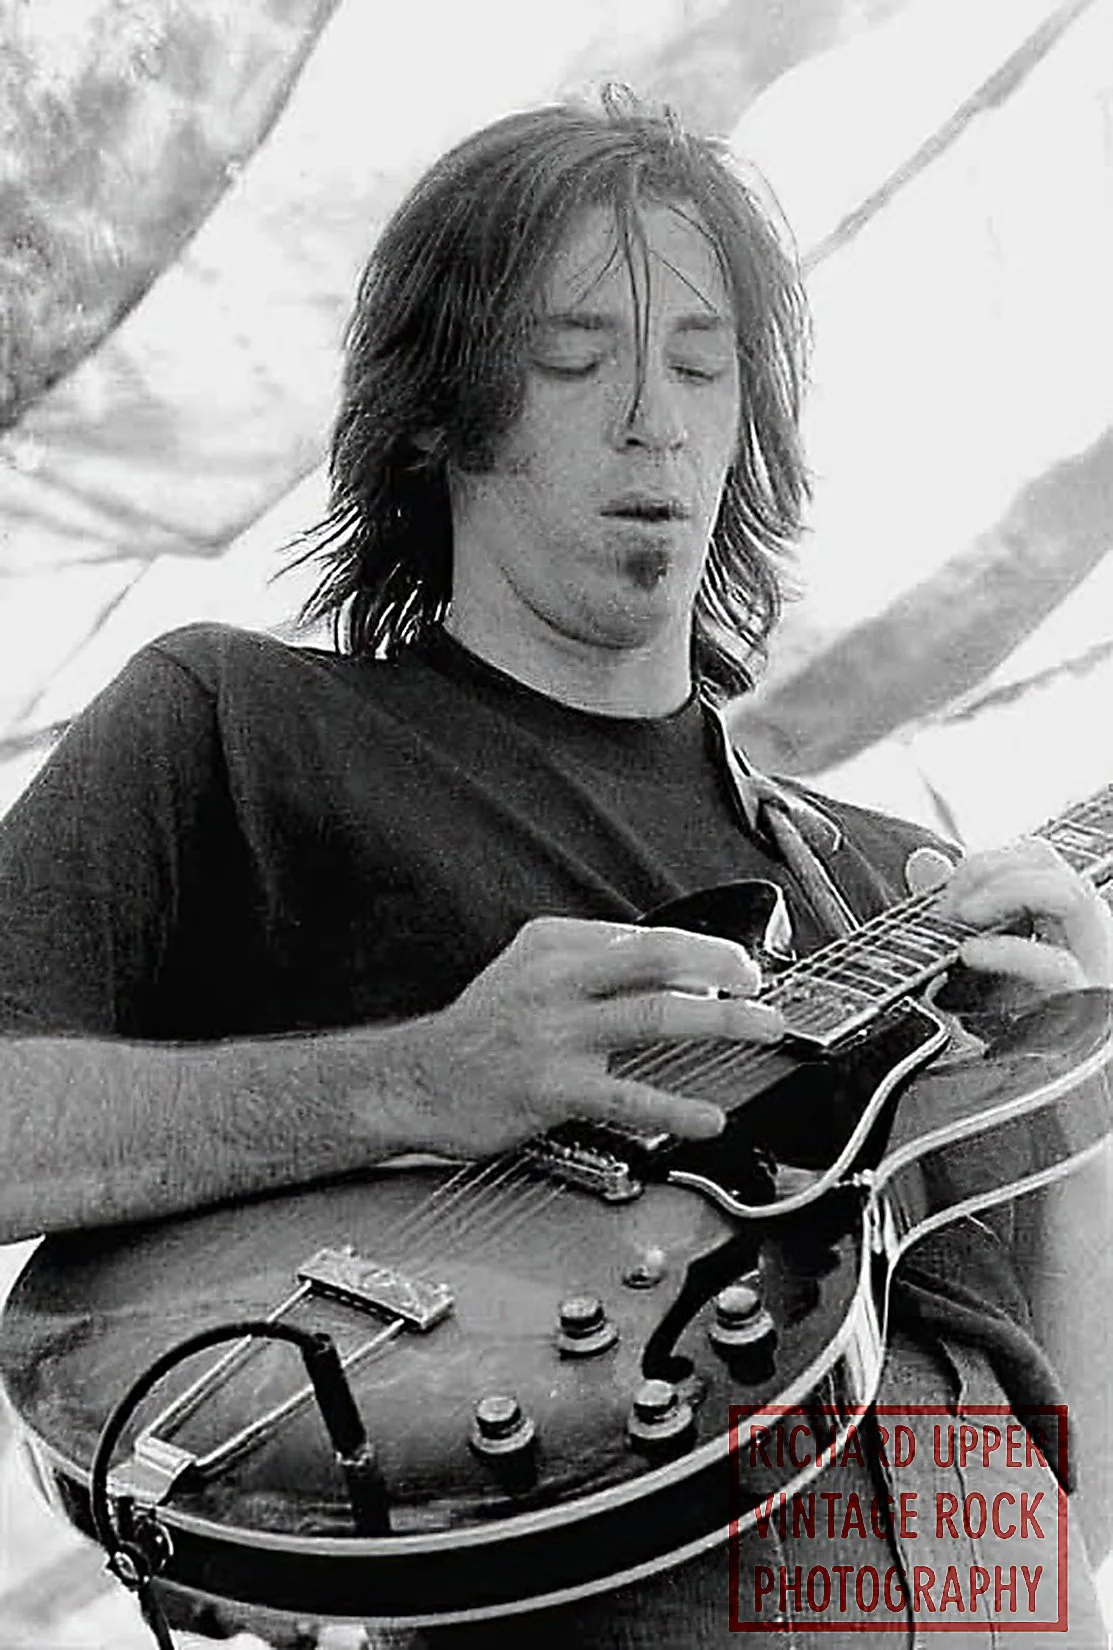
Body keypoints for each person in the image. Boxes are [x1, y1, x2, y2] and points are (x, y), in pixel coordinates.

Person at [0, 89, 1110, 1648]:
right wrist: (414, 1080)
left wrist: (1076, 1080)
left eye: (704, 365)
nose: (654, 415)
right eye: (578, 353)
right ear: (441, 407)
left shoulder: (888, 877)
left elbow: (1077, 1494)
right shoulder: (243, 729)